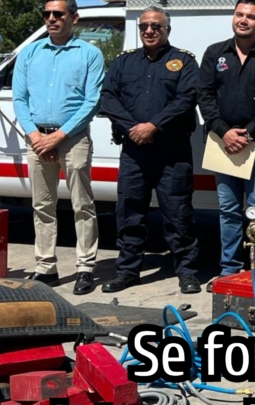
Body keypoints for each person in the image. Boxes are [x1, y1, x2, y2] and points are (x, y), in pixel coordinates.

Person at [98, 6, 202, 294]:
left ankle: (187, 272)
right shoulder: (124, 62)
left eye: (156, 26)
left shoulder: (183, 61)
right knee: (129, 213)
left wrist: (154, 126)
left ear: (167, 29)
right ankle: (128, 271)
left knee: (178, 214)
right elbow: (108, 98)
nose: (149, 31)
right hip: (134, 152)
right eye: (144, 26)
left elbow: (186, 99)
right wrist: (134, 128)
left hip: (172, 153)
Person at [12, 0, 104, 292]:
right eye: (46, 14)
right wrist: (35, 135)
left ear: (74, 18)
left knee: (82, 205)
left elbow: (92, 101)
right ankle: (46, 267)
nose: (51, 19)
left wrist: (59, 136)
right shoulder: (29, 53)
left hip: (73, 138)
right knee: (42, 205)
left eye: (58, 14)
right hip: (37, 139)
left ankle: (85, 268)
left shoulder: (90, 54)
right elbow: (19, 99)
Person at [198, 0, 255, 279]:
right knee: (228, 209)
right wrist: (224, 131)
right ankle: (229, 269)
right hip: (222, 142)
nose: (243, 20)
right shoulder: (215, 53)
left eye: (251, 16)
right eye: (239, 14)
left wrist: (248, 132)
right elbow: (204, 95)